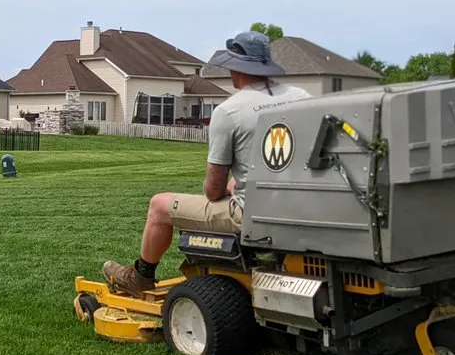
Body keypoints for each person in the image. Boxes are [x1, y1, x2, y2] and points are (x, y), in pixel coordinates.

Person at [101, 30, 311, 295]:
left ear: (236, 68)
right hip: (302, 208)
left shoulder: (230, 112)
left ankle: (141, 276)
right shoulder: (301, 97)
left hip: (254, 216)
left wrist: (231, 188)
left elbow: (213, 191)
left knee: (159, 205)